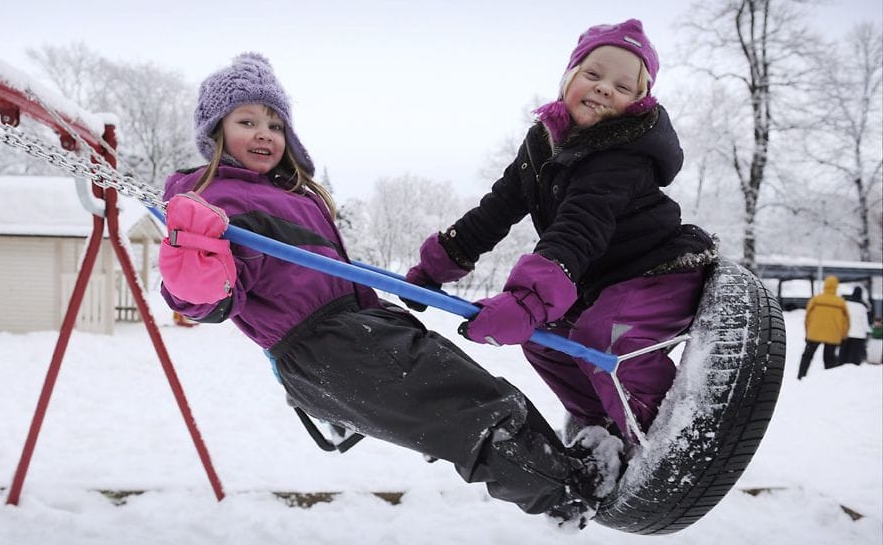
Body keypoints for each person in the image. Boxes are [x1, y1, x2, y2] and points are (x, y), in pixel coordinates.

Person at [157, 53, 621, 527]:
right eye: (247, 121)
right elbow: (204, 300)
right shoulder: (211, 202)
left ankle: (563, 471)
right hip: (326, 344)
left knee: (479, 388)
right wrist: (192, 255)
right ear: (216, 133)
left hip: (361, 323)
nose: (264, 133)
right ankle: (568, 490)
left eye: (275, 124)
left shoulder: (292, 194)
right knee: (473, 410)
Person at [404, 19, 716, 440]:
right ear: (568, 77)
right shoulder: (541, 146)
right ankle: (601, 427)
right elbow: (497, 209)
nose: (605, 87)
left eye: (624, 87)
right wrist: (436, 266)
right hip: (601, 282)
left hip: (659, 272)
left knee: (604, 337)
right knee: (543, 336)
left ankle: (663, 438)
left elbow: (580, 227)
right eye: (593, 74)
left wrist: (530, 298)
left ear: (639, 104)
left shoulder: (623, 155)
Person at [797, 276, 850, 379]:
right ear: (836, 286)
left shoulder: (816, 299)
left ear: (825, 285)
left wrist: (807, 332)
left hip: (814, 333)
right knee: (829, 358)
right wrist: (843, 336)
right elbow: (846, 321)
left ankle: (801, 376)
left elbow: (807, 317)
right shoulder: (840, 302)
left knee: (807, 356)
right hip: (833, 335)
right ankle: (829, 379)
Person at [837, 286, 871, 366]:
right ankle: (853, 373)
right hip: (859, 336)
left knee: (843, 356)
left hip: (846, 334)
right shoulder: (863, 307)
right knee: (854, 358)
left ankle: (840, 371)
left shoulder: (846, 304)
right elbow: (864, 323)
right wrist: (869, 332)